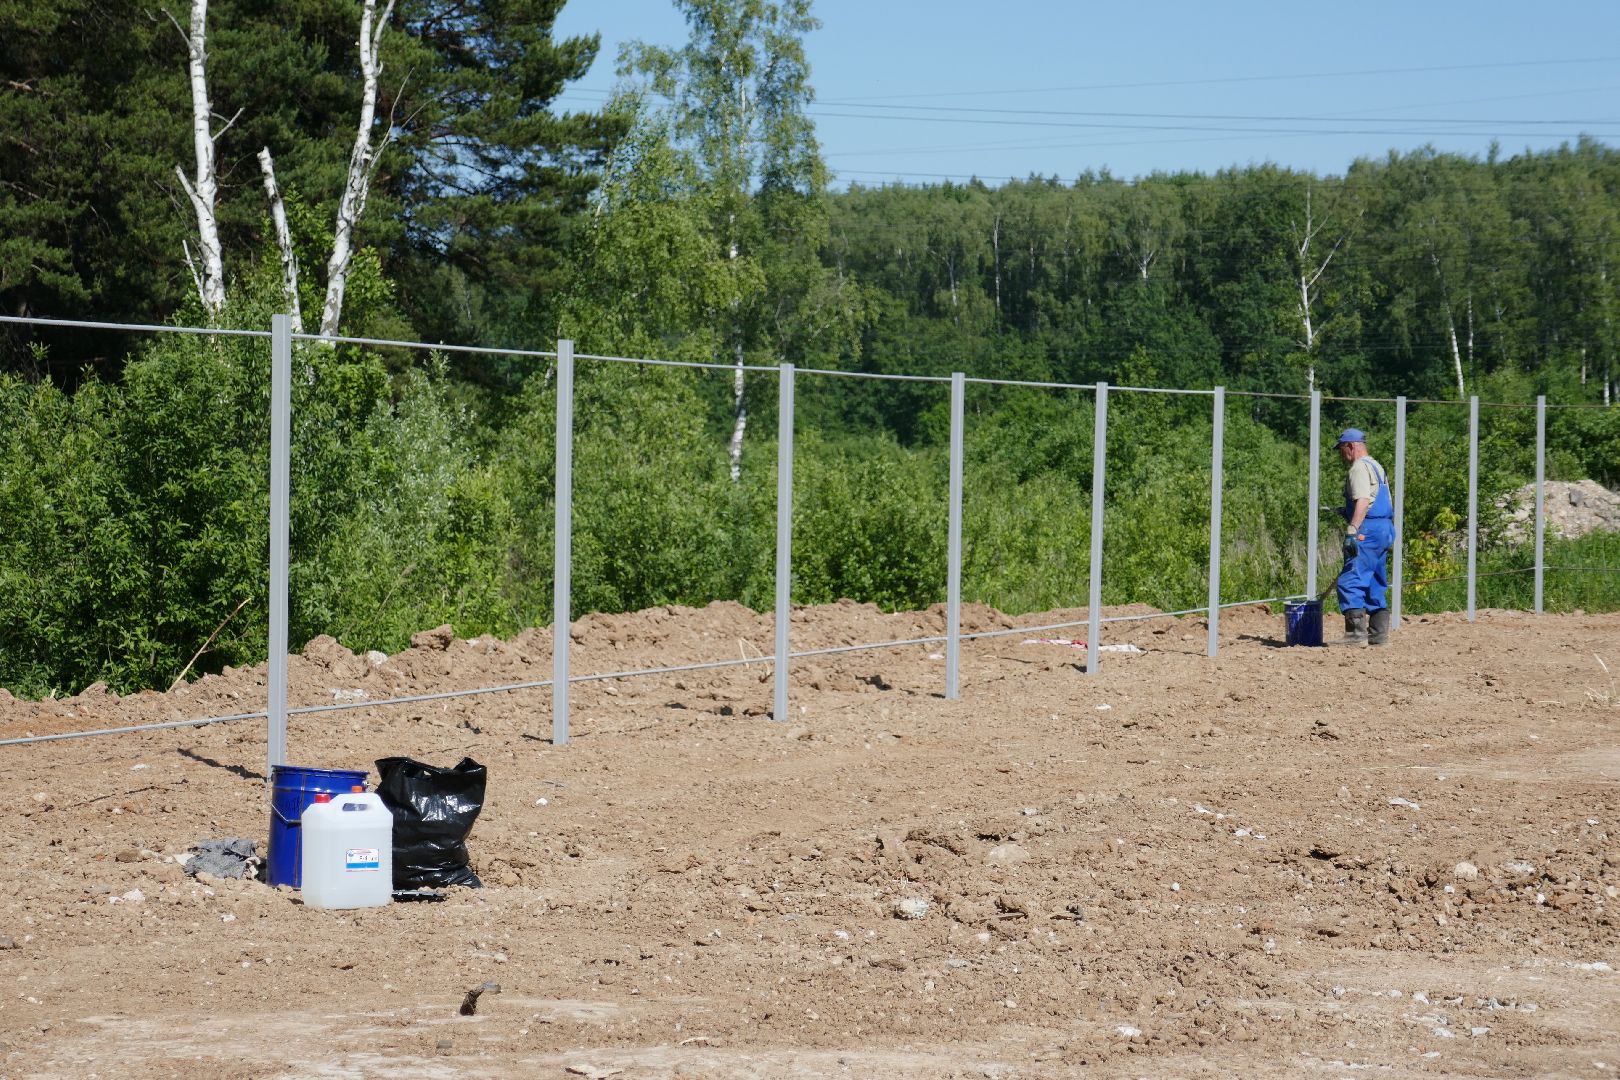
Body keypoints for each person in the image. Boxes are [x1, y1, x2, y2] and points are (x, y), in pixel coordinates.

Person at [1331, 428, 1394, 646]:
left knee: (1351, 579)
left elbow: (1364, 500)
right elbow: (1377, 500)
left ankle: (1355, 635)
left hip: (1367, 531)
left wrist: (1353, 528)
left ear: (1350, 446)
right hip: (1384, 529)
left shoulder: (1358, 468)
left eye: (1341, 450)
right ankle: (1378, 634)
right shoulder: (1376, 466)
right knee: (1375, 580)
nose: (1342, 455)